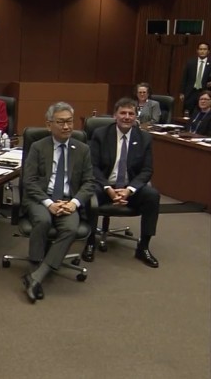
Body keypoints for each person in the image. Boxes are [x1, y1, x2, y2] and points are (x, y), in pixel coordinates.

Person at [21, 102, 96, 303]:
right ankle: (35, 267)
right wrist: (49, 203)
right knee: (43, 221)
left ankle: (36, 277)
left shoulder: (82, 149)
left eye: (70, 122)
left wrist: (74, 203)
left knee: (71, 228)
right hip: (41, 198)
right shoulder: (38, 147)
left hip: (67, 200)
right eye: (61, 122)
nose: (66, 126)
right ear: (49, 125)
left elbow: (89, 182)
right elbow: (29, 181)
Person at [85, 97, 160, 268]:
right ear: (115, 115)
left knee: (152, 196)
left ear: (136, 117)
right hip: (103, 185)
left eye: (131, 114)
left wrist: (129, 190)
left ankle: (143, 247)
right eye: (123, 113)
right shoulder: (101, 134)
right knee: (89, 194)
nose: (127, 117)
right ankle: (89, 242)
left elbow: (147, 170)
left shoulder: (145, 138)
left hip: (130, 188)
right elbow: (92, 166)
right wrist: (108, 188)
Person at [179, 41, 211, 115]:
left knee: (203, 113)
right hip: (190, 92)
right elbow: (185, 78)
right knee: (187, 113)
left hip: (205, 92)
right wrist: (182, 92)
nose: (202, 51)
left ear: (208, 51)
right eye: (200, 49)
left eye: (205, 49)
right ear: (197, 51)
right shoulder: (190, 63)